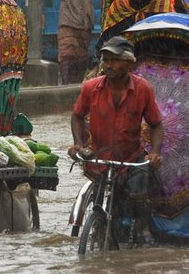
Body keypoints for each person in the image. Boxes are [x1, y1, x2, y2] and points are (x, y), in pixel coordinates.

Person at [68, 36, 164, 246]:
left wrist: (154, 152)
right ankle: (101, 227)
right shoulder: (90, 88)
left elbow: (156, 124)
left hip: (131, 158)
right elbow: (77, 116)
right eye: (105, 60)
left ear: (129, 63)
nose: (108, 65)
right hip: (100, 157)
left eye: (114, 60)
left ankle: (141, 227)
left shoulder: (143, 89)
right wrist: (78, 143)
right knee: (100, 200)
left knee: (138, 191)